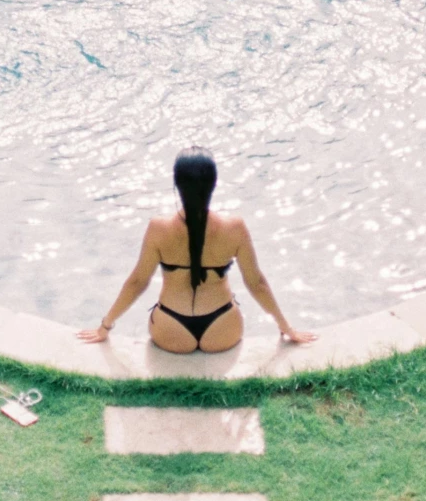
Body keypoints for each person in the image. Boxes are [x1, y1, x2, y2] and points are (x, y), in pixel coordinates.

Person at [77, 149, 316, 354]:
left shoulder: (158, 228)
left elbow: (137, 282)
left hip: (170, 329)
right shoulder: (235, 228)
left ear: (176, 185)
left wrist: (105, 326)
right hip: (222, 329)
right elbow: (257, 283)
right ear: (214, 184)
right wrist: (286, 326)